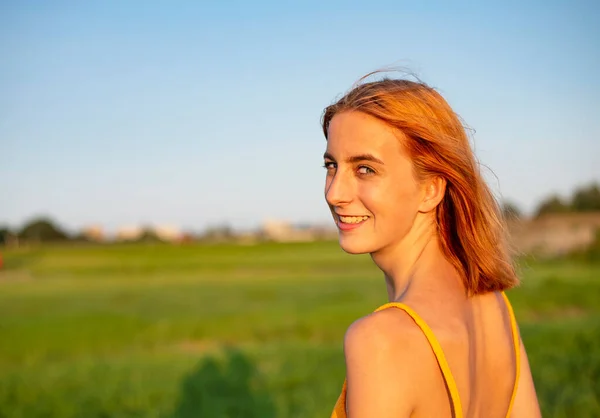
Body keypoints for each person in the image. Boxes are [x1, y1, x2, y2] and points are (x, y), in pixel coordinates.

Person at [321, 73, 541, 418]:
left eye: (364, 169)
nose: (334, 192)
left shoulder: (380, 341)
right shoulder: (493, 305)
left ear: (430, 189)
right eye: (332, 165)